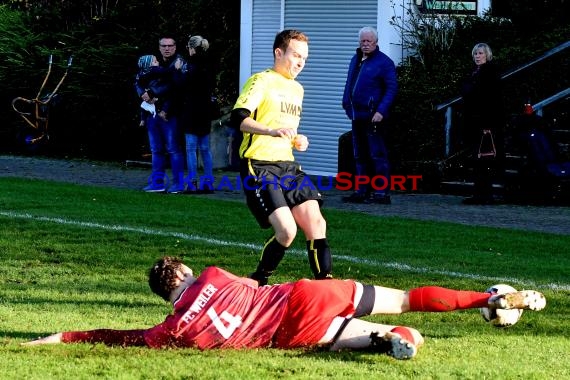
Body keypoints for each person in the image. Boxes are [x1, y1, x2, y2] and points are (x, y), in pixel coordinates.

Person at [23, 256, 547, 360]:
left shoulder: (171, 330)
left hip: (288, 333)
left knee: (358, 338)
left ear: (164, 295)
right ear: (182, 273)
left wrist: (66, 337)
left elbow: (122, 337)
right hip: (301, 295)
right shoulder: (212, 274)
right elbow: (247, 279)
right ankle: (488, 298)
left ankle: (391, 339)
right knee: (409, 299)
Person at [230, 29, 332, 285]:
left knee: (316, 222)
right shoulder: (260, 81)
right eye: (296, 55)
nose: (301, 63)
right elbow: (238, 118)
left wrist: (298, 140)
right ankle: (258, 281)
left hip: (288, 165)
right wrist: (271, 131)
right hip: (259, 165)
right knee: (287, 232)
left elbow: (286, 129)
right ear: (279, 52)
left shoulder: (297, 89)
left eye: (305, 59)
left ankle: (326, 285)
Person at [342, 26, 398, 205]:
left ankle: (381, 193)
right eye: (363, 41)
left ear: (376, 42)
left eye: (369, 41)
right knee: (359, 155)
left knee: (377, 155)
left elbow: (392, 89)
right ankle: (361, 191)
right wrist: (346, 104)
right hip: (356, 115)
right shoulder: (355, 59)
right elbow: (349, 83)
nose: (365, 44)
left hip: (374, 116)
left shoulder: (384, 63)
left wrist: (381, 111)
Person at [135, 36, 186, 194]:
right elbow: (138, 79)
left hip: (170, 113)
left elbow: (176, 87)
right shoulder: (153, 62)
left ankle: (178, 184)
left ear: (175, 47)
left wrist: (153, 93)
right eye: (164, 46)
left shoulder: (179, 62)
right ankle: (157, 184)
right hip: (152, 112)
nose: (167, 48)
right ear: (159, 47)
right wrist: (143, 93)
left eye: (170, 45)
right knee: (156, 149)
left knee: (173, 149)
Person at [460, 43, 505, 205]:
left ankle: (485, 194)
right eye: (475, 54)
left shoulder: (489, 74)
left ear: (487, 55)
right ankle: (479, 193)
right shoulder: (474, 73)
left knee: (484, 159)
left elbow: (492, 101)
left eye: (480, 53)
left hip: (485, 122)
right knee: (477, 158)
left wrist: (488, 124)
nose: (477, 56)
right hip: (474, 121)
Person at [179, 35, 216, 194]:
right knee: (205, 148)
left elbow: (184, 86)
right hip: (205, 110)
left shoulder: (190, 65)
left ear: (191, 48)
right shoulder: (210, 64)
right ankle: (208, 182)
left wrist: (179, 71)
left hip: (192, 109)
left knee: (191, 148)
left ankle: (192, 182)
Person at [135, 54, 174, 128]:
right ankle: (163, 112)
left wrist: (143, 93)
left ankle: (142, 120)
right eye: (155, 61)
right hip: (156, 94)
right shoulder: (155, 69)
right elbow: (166, 71)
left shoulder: (140, 73)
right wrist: (174, 68)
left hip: (148, 94)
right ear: (149, 65)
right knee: (168, 99)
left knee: (143, 106)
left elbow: (137, 83)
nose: (158, 62)